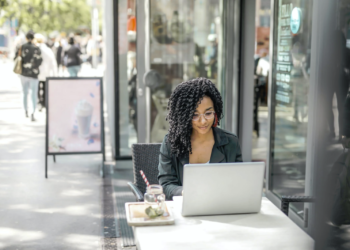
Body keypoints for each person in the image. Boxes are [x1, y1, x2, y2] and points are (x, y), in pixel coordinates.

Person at [158, 78, 243, 200]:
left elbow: (238, 183)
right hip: (184, 208)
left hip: (221, 206)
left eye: (208, 113)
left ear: (216, 112)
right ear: (184, 117)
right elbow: (166, 185)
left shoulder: (230, 143)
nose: (203, 121)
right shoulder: (171, 143)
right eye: (194, 115)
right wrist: (185, 192)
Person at [14, 31, 42, 121]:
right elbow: (40, 61)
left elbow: (16, 58)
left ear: (26, 38)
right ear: (33, 38)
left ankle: (25, 110)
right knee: (34, 94)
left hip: (24, 73)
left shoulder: (21, 47)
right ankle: (33, 112)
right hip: (34, 74)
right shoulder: (36, 48)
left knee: (25, 93)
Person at [34, 34, 57, 111]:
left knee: (37, 88)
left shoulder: (35, 48)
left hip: (36, 73)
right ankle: (44, 103)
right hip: (46, 73)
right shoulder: (47, 49)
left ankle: (39, 103)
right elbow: (53, 62)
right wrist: (54, 74)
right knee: (45, 88)